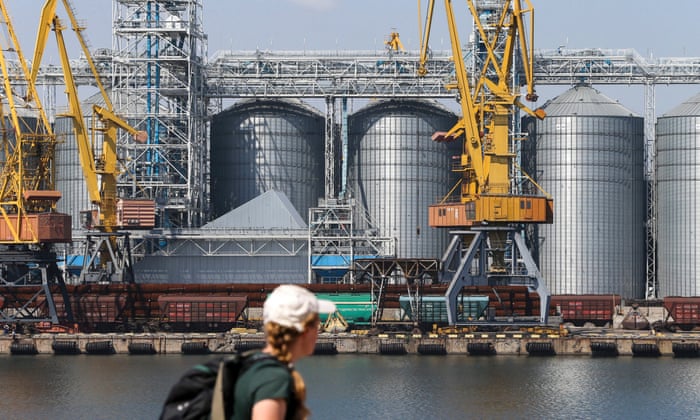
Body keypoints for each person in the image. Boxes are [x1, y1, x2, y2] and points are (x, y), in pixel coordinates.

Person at [232, 284, 336, 420]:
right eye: (316, 325)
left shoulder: (252, 364)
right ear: (304, 331)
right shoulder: (274, 378)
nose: (318, 331)